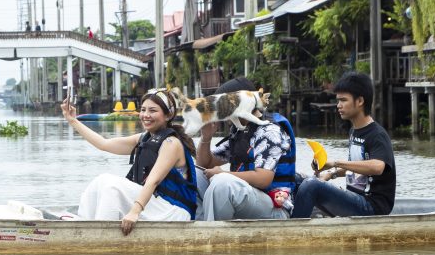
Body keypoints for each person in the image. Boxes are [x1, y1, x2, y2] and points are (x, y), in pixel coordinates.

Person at [62, 87, 200, 234]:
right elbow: (103, 144)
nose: (146, 115)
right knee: (101, 181)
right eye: (143, 110)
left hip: (175, 211)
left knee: (112, 186)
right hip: (155, 205)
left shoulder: (171, 143)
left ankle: (102, 236)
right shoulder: (144, 138)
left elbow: (152, 181)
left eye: (153, 111)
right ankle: (86, 226)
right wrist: (73, 120)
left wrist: (135, 212)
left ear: (168, 115)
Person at [291, 72, 396, 218]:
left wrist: (335, 163)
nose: (338, 105)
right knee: (294, 178)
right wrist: (330, 173)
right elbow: (357, 168)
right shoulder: (354, 131)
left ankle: (294, 229)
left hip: (371, 206)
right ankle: (288, 217)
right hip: (354, 199)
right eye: (338, 100)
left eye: (343, 100)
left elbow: (377, 167)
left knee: (311, 185)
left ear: (360, 101)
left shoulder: (377, 135)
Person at [195, 76, 296, 221]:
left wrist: (223, 174)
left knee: (223, 183)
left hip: (275, 208)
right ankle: (200, 224)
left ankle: (212, 231)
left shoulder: (269, 131)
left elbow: (263, 179)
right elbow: (204, 164)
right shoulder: (240, 131)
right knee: (195, 174)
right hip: (249, 200)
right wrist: (206, 137)